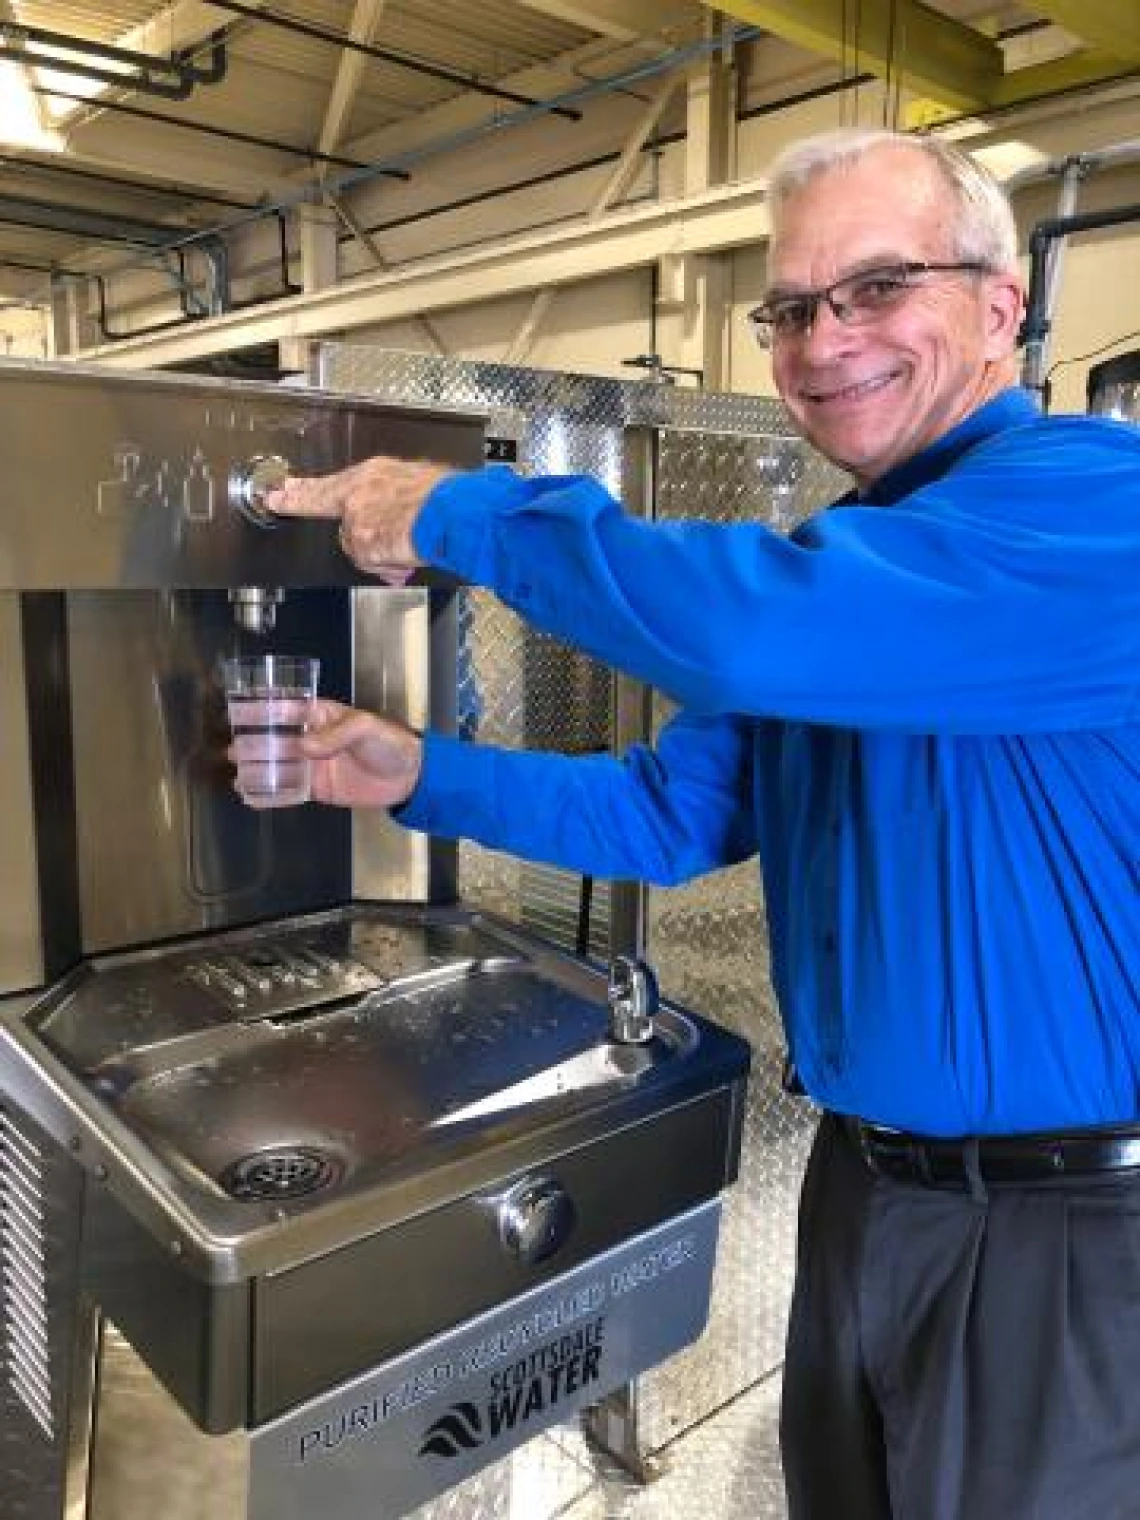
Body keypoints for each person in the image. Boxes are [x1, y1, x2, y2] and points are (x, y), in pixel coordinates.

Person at [253, 128, 1139, 1520]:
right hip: (870, 1195)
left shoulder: (1092, 510)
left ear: (1001, 307)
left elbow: (735, 627)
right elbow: (670, 812)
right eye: (790, 308)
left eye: (877, 287)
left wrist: (463, 512)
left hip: (1073, 1235)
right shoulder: (852, 581)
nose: (821, 340)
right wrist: (414, 772)